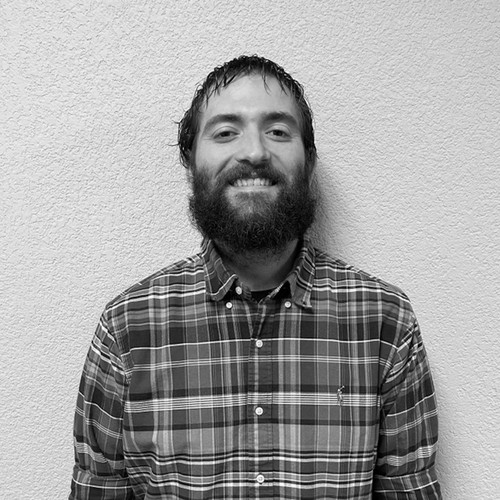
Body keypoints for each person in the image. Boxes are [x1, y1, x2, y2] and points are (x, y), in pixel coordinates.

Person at [70, 55, 441, 499]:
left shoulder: (384, 322)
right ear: (191, 161)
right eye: (226, 132)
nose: (254, 152)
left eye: (278, 131)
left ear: (309, 159)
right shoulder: (127, 328)